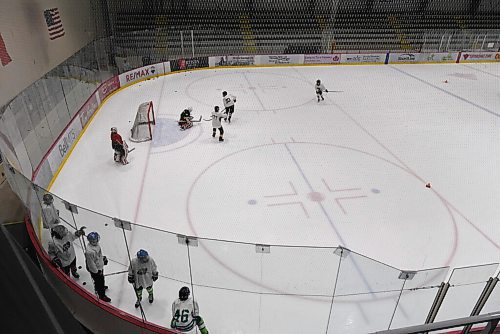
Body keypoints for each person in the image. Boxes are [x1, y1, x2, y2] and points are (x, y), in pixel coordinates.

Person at [84, 232, 111, 302]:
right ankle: (102, 295)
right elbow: (91, 264)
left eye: (96, 240)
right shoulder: (89, 252)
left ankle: (98, 287)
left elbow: (99, 255)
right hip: (95, 270)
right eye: (93, 241)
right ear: (90, 241)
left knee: (101, 279)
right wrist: (96, 272)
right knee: (99, 281)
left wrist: (102, 258)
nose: (95, 242)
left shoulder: (97, 245)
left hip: (99, 266)